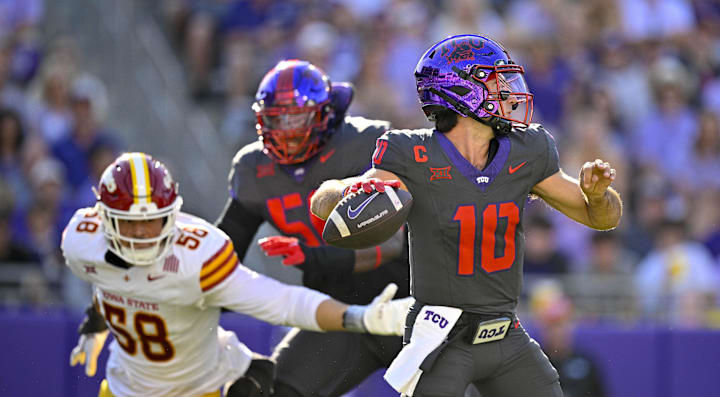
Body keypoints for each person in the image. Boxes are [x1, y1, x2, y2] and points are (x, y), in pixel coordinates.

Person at [311, 34, 623, 397]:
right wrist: (341, 193)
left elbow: (603, 219)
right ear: (460, 92)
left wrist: (598, 195)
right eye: (494, 80)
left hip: (505, 332)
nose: (507, 90)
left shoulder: (529, 149)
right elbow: (327, 198)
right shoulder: (410, 153)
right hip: (442, 335)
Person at [63, 152, 412, 397]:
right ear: (105, 220)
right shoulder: (83, 242)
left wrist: (358, 317)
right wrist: (96, 321)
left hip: (196, 388)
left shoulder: (196, 257)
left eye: (150, 221)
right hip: (122, 387)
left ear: (172, 214)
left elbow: (283, 301)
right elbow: (111, 279)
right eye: (130, 224)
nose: (141, 235)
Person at [215, 59, 410, 397]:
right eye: (278, 119)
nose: (287, 131)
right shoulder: (253, 169)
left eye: (297, 118)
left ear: (325, 115)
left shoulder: (368, 144)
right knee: (277, 392)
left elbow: (388, 244)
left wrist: (312, 257)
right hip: (340, 313)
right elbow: (222, 254)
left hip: (411, 304)